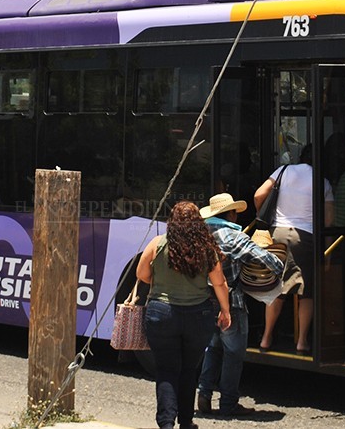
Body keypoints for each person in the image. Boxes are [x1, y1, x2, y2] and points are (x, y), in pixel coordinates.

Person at [136, 201, 231, 429]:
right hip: (198, 316)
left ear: (173, 222)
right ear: (198, 223)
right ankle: (186, 422)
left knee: (166, 370)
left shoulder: (157, 244)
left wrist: (161, 280)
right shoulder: (206, 248)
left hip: (161, 314)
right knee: (189, 369)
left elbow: (142, 274)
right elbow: (219, 283)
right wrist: (225, 311)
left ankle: (166, 423)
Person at [196, 193, 284, 417]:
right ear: (231, 214)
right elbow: (264, 258)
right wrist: (280, 265)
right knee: (233, 354)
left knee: (213, 349)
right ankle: (228, 403)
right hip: (231, 304)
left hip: (204, 302)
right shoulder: (232, 236)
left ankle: (204, 393)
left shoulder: (200, 235)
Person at [253, 144, 334, 354]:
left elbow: (259, 195)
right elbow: (328, 220)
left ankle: (266, 338)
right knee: (306, 291)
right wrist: (327, 251)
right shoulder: (323, 182)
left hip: (277, 233)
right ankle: (302, 341)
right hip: (305, 237)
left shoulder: (282, 171)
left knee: (276, 289)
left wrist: (266, 217)